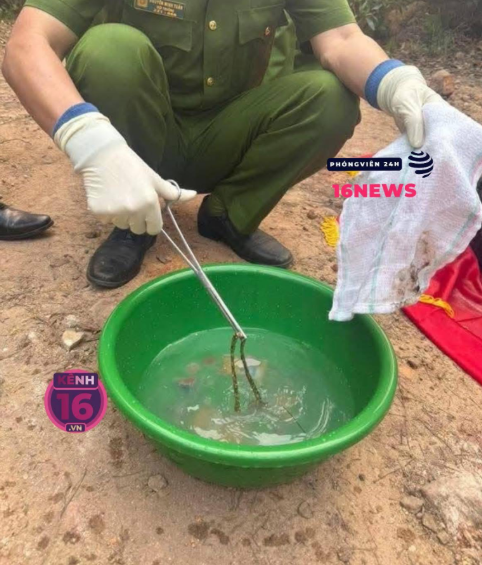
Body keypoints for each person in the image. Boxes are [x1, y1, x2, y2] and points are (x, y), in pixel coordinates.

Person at [2, 0, 443, 288]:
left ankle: (229, 214)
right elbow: (28, 43)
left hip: (230, 134)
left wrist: (394, 82)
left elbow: (342, 38)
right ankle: (135, 221)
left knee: (330, 99)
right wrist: (90, 143)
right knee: (108, 48)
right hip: (137, 140)